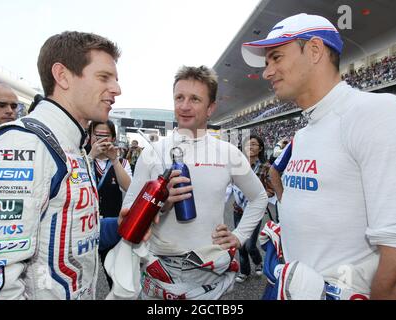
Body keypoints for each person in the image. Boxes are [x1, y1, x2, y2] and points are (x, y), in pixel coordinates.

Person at [242, 13, 396, 299]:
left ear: (314, 51)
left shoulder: (376, 113)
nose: (267, 72)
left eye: (276, 58)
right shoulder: (304, 134)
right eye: (267, 63)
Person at [0, 31, 133, 299]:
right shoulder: (23, 144)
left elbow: (65, 241)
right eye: (104, 77)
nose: (117, 89)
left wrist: (116, 226)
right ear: (62, 76)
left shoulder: (72, 146)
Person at [122, 65, 268, 300]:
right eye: (179, 97)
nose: (185, 106)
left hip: (211, 275)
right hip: (161, 275)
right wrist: (162, 202)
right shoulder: (152, 154)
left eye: (195, 99)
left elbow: (259, 197)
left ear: (211, 108)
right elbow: (128, 219)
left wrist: (239, 237)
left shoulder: (228, 153)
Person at [87, 119, 132, 288]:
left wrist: (114, 161)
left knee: (116, 276)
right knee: (81, 276)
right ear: (89, 136)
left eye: (105, 136)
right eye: (96, 135)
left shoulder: (122, 163)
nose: (100, 139)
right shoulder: (79, 158)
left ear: (113, 138)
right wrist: (90, 157)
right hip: (84, 227)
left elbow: (129, 187)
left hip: (112, 226)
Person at [228, 135, 274, 283]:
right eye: (248, 144)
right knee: (239, 244)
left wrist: (257, 196)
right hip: (238, 210)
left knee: (249, 245)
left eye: (254, 144)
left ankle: (258, 261)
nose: (250, 147)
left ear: (260, 148)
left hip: (254, 211)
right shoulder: (237, 165)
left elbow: (270, 189)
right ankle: (244, 271)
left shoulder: (265, 167)